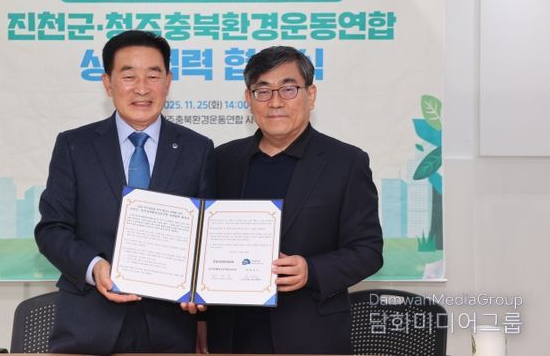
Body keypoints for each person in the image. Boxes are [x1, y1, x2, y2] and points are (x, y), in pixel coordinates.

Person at [35, 30, 215, 355]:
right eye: (129, 76)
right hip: (88, 326)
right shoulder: (75, 146)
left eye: (153, 76)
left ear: (168, 81)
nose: (142, 88)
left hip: (170, 327)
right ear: (108, 83)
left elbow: (207, 236)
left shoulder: (197, 149)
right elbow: (52, 229)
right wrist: (95, 267)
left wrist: (200, 286)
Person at [206, 46, 383, 354]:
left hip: (310, 335)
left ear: (310, 95)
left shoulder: (345, 162)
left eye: (288, 89)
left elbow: (368, 251)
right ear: (248, 99)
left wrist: (310, 270)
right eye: (263, 91)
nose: (275, 102)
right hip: (232, 336)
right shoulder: (223, 159)